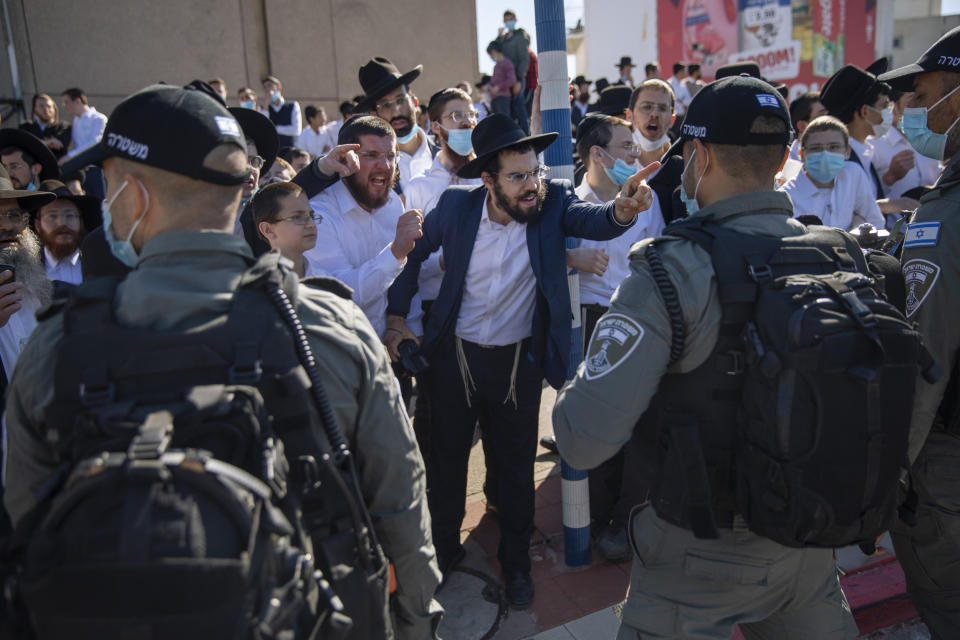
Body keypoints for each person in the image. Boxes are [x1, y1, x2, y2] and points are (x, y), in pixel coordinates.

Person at [5, 81, 443, 639]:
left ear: (135, 196)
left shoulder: (56, 348)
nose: (105, 202)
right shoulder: (328, 329)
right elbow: (400, 504)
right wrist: (413, 622)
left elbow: (29, 520)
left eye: (109, 186)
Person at [553, 75, 861, 640]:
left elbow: (581, 439)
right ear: (786, 155)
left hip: (695, 555)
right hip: (808, 539)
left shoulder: (667, 272)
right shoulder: (838, 255)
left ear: (700, 155)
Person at [385, 112, 659, 610]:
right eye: (517, 176)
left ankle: (515, 564)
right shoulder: (455, 207)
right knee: (443, 465)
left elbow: (594, 220)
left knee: (514, 472)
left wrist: (622, 210)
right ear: (487, 179)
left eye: (534, 171)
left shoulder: (553, 203)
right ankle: (442, 553)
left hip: (517, 366)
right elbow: (416, 258)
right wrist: (396, 315)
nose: (532, 184)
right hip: (453, 359)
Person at [877, 26, 960, 639]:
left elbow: (926, 358)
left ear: (955, 102)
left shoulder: (944, 216)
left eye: (921, 95)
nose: (911, 110)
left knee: (945, 591)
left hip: (948, 457)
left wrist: (890, 469)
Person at [570, 113, 665, 559]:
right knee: (597, 431)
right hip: (592, 326)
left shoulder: (647, 199)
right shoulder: (570, 202)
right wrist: (573, 258)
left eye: (633, 146)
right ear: (597, 154)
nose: (634, 154)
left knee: (639, 432)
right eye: (625, 146)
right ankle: (593, 517)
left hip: (640, 320)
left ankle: (626, 522)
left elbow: (660, 253)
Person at [305, 115, 424, 340]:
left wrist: (408, 326)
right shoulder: (318, 214)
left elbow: (401, 275)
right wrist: (396, 252)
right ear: (344, 159)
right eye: (371, 155)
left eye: (391, 156)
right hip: (342, 350)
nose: (385, 166)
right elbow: (341, 294)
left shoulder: (392, 203)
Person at [779, 115, 885, 230]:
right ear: (802, 154)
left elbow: (875, 222)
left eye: (834, 147)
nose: (825, 154)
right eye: (816, 148)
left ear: (847, 152)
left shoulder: (853, 174)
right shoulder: (786, 197)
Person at [354, 57, 433, 191]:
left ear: (415, 102)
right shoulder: (366, 169)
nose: (396, 112)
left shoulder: (443, 154)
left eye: (400, 100)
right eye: (385, 105)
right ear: (374, 114)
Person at [819, 64, 891, 198]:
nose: (889, 112)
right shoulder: (839, 160)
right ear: (865, 111)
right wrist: (886, 207)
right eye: (884, 105)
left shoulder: (864, 152)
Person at [627, 80, 685, 224]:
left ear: (672, 119)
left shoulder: (686, 169)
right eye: (647, 107)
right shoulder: (614, 166)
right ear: (630, 115)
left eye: (662, 108)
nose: (654, 114)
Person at [869, 89, 943, 198]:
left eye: (923, 100)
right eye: (911, 101)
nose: (920, 108)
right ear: (894, 108)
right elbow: (863, 198)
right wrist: (890, 177)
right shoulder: (874, 145)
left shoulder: (931, 141)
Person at [33, 179, 101, 284]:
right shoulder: (28, 268)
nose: (62, 223)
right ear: (38, 225)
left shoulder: (99, 262)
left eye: (69, 215)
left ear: (80, 222)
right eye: (52, 216)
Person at [251, 181, 319, 278]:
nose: (311, 224)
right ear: (267, 230)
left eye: (311, 215)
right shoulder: (253, 286)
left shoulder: (328, 284)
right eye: (297, 217)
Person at [496, 9, 531, 133]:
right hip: (506, 80)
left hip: (517, 78)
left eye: (510, 20)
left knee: (520, 106)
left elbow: (524, 59)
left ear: (515, 20)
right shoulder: (504, 38)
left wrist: (519, 80)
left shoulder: (520, 36)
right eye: (506, 20)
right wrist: (499, 37)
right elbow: (494, 49)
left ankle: (526, 135)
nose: (508, 22)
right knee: (509, 109)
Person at [60, 87, 108, 161]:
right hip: (81, 167)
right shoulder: (76, 120)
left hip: (95, 168)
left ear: (77, 101)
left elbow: (96, 142)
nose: (65, 106)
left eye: (66, 102)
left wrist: (70, 156)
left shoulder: (99, 118)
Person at [19, 93, 72, 160]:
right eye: (41, 106)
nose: (46, 109)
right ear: (35, 109)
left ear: (54, 109)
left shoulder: (64, 126)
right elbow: (24, 146)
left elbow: (61, 144)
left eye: (49, 106)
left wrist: (35, 144)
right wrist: (49, 142)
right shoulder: (25, 127)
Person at [262, 75, 302, 148]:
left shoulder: (292, 105)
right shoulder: (264, 108)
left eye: (269, 85)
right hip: (273, 149)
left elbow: (296, 130)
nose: (267, 89)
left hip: (290, 149)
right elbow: (264, 129)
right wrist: (265, 107)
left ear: (279, 87)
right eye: (265, 87)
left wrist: (274, 128)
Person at [789, 91, 828, 160]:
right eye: (823, 117)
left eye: (831, 115)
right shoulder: (790, 165)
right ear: (802, 126)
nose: (831, 121)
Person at [487, 41, 517, 121]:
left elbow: (512, 80)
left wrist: (498, 87)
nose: (491, 57)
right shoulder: (497, 65)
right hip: (495, 98)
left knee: (504, 120)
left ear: (494, 52)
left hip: (503, 97)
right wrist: (489, 86)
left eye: (491, 55)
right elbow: (494, 80)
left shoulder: (507, 63)